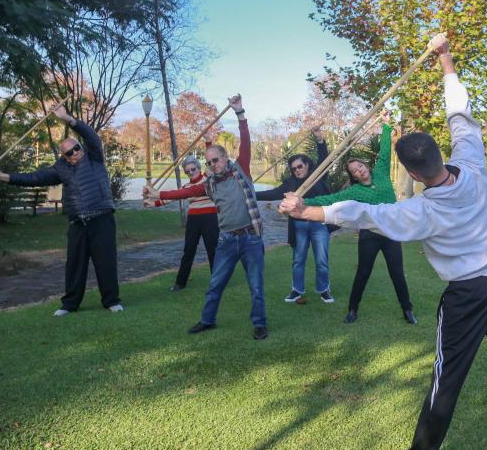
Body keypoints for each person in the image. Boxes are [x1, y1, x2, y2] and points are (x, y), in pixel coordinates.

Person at [280, 34, 487, 450]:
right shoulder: (472, 162)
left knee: (447, 375)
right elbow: (461, 113)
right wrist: (446, 60)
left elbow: (364, 214)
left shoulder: (420, 212)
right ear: (441, 153)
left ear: (410, 173)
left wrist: (304, 210)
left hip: (470, 294)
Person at [142, 95, 268, 340]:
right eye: (209, 162)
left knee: (256, 286)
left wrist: (240, 113)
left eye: (216, 160)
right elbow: (186, 192)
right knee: (215, 284)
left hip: (251, 238)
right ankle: (207, 320)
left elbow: (246, 142)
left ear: (224, 158)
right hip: (227, 240)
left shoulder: (241, 169)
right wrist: (159, 193)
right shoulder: (209, 184)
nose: (213, 164)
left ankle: (260, 323)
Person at [0, 104, 123, 317]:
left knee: (106, 262)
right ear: (64, 156)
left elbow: (92, 136)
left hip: (101, 218)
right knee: (74, 266)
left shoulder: (94, 157)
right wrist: (4, 176)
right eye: (70, 152)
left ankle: (111, 301)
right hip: (78, 222)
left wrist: (67, 119)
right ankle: (69, 305)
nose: (76, 152)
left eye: (76, 147)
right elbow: (34, 178)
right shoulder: (60, 169)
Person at [302, 111, 416, 325]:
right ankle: (352, 309)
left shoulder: (382, 173)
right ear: (353, 177)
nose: (360, 171)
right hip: (370, 235)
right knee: (363, 272)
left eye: (360, 167)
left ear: (366, 166)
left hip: (391, 233)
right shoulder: (354, 192)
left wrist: (385, 125)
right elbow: (331, 198)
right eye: (355, 171)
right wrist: (303, 202)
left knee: (397, 273)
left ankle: (407, 309)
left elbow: (384, 151)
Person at [255, 124, 335, 303]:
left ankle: (324, 289)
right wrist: (248, 194)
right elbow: (270, 194)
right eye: (294, 168)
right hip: (299, 225)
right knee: (298, 259)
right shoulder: (290, 183)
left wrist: (319, 139)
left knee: (321, 259)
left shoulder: (317, 175)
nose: (297, 170)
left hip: (319, 223)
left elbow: (324, 158)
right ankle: (296, 290)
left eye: (300, 166)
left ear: (307, 165)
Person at [149, 131, 220, 292]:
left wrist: (208, 141)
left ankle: (217, 282)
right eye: (187, 171)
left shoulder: (208, 178)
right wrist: (152, 203)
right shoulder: (186, 187)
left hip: (210, 218)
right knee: (188, 251)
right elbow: (173, 197)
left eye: (193, 169)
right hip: (194, 220)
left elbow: (211, 162)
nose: (191, 172)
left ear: (198, 167)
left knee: (212, 250)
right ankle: (180, 283)